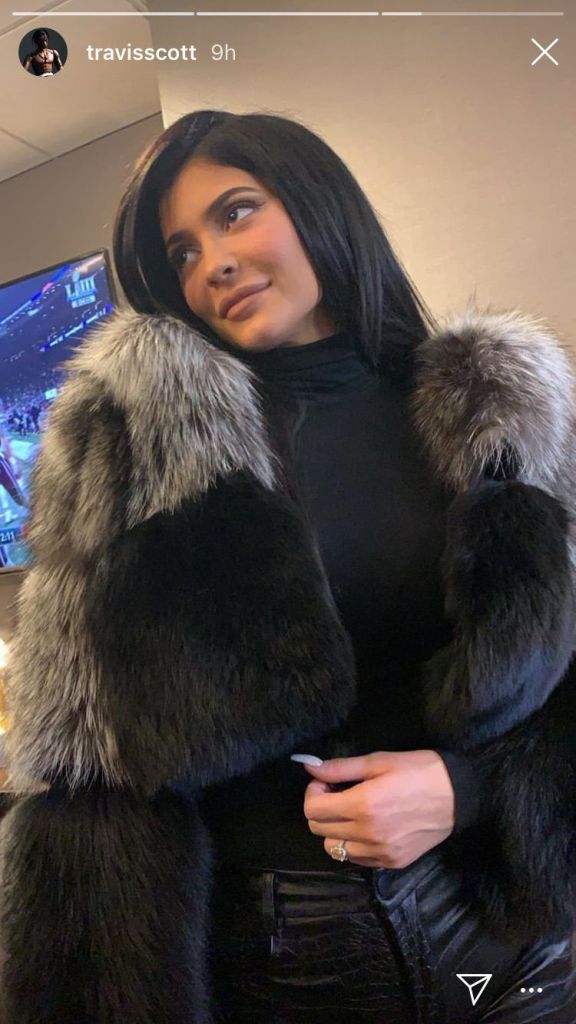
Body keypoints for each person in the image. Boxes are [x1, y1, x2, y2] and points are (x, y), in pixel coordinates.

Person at [1, 110, 576, 1024]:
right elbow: (81, 769)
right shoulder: (135, 452)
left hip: (510, 942)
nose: (213, 263)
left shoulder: (502, 420)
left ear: (317, 202)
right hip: (289, 961)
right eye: (181, 253)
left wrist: (468, 790)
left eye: (236, 212)